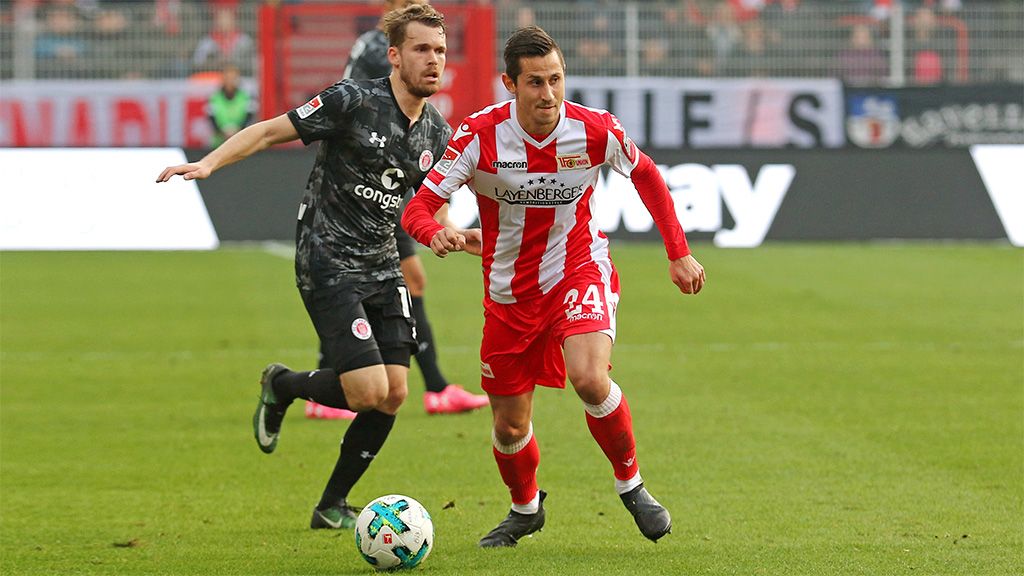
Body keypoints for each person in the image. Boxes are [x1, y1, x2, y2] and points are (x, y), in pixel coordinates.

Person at [402, 26, 706, 548]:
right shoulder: (479, 136)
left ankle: (631, 485)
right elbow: (419, 208)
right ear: (510, 84)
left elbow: (648, 176)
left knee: (589, 378)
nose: (549, 94)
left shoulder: (594, 129)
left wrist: (678, 252)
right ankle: (525, 509)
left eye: (556, 79)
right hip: (509, 293)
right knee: (509, 426)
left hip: (578, 269)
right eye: (536, 82)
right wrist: (436, 233)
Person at [157, 4, 453, 530]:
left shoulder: (436, 131)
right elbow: (270, 132)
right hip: (328, 257)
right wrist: (208, 163)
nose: (433, 60)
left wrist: (449, 232)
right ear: (393, 55)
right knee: (366, 391)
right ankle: (285, 385)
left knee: (394, 394)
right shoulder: (352, 100)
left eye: (440, 51)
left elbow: (432, 205)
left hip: (383, 263)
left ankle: (330, 505)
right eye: (421, 49)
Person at [305, 0, 488, 420]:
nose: (430, 58)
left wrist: (445, 220)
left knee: (402, 280)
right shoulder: (380, 52)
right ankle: (429, 387)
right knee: (389, 280)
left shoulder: (372, 45)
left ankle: (432, 386)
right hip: (367, 184)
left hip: (386, 177)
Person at [206, 63, 254, 148]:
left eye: (233, 78)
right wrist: (223, 133)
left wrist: (238, 131)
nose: (230, 81)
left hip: (241, 143)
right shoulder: (214, 98)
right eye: (227, 78)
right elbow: (211, 119)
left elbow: (249, 118)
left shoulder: (246, 97)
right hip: (219, 144)